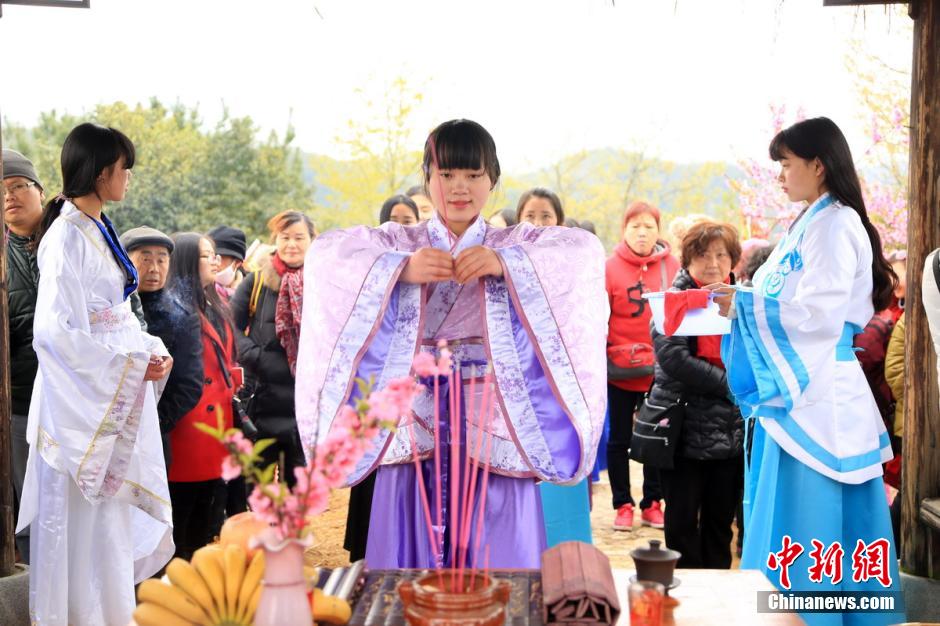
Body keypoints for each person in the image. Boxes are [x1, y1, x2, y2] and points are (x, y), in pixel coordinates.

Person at [295, 119, 607, 569]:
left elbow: (582, 253)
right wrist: (399, 269)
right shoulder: (400, 241)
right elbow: (327, 253)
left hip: (492, 422)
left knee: (500, 561)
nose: (459, 188)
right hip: (416, 417)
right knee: (409, 549)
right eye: (446, 175)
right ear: (427, 179)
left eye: (473, 175)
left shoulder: (515, 241)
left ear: (493, 180)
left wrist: (506, 262)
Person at [710, 117, 905, 625]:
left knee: (811, 522)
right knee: (811, 523)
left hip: (819, 396)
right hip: (805, 388)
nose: (780, 175)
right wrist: (746, 303)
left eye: (787, 163)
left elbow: (819, 314)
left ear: (818, 166)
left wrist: (746, 306)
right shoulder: (814, 221)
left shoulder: (836, 223)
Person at [17, 123, 174, 625]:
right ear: (101, 170)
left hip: (111, 386)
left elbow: (116, 314)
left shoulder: (95, 225)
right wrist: (127, 366)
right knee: (81, 521)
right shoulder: (64, 235)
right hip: (80, 402)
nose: (128, 177)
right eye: (123, 167)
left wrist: (149, 348)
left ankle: (110, 614)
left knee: (108, 521)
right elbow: (55, 332)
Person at [651, 221, 744, 568]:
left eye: (722, 255)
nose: (713, 263)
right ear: (687, 259)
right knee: (681, 523)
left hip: (729, 433)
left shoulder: (743, 302)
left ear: (733, 260)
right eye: (703, 255)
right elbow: (675, 359)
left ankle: (717, 598)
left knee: (720, 524)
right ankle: (686, 599)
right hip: (683, 432)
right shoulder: (670, 303)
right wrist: (733, 385)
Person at [161, 233, 238, 559]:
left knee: (208, 518)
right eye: (208, 256)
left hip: (216, 424)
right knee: (184, 518)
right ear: (189, 261)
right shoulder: (174, 307)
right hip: (190, 428)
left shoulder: (213, 302)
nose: (216, 262)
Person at [605, 200, 678, 531]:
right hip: (619, 370)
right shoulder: (609, 268)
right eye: (635, 226)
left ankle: (653, 502)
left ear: (658, 231)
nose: (642, 232)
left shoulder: (672, 267)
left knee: (657, 438)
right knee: (619, 439)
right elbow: (599, 316)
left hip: (661, 371)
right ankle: (622, 503)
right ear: (624, 230)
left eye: (649, 226)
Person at [231, 210, 314, 488]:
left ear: (312, 240)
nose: (292, 244)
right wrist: (257, 357)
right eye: (285, 237)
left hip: (303, 402)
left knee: (298, 490)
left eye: (299, 237)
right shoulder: (255, 282)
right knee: (259, 488)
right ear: (275, 240)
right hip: (262, 396)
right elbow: (230, 327)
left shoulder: (323, 283)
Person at [121, 226, 203, 470]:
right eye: (145, 259)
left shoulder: (181, 315)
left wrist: (152, 422)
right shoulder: (113, 308)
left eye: (161, 259)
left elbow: (189, 384)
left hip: (155, 434)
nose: (154, 269)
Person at [3, 149, 44, 564]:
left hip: (75, 399)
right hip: (21, 402)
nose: (10, 197)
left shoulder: (74, 236)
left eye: (18, 186)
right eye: (2, 192)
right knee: (29, 504)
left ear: (39, 190)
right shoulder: (1, 256)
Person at [209, 225, 247, 299]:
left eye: (218, 257)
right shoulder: (197, 292)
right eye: (207, 256)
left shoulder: (252, 292)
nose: (212, 262)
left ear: (237, 263)